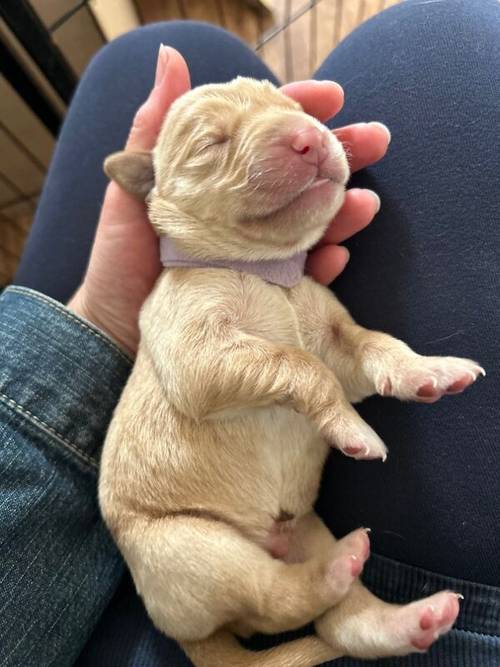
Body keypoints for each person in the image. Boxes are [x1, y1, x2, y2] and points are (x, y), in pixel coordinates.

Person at [1, 0, 498, 664]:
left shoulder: (294, 287)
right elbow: (203, 377)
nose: (299, 133)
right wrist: (319, 392)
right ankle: (296, 602)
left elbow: (345, 347)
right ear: (159, 193)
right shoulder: (180, 298)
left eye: (280, 114)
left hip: (277, 512)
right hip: (179, 532)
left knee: (319, 532)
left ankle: (362, 626)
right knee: (435, 42)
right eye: (214, 142)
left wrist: (394, 365)